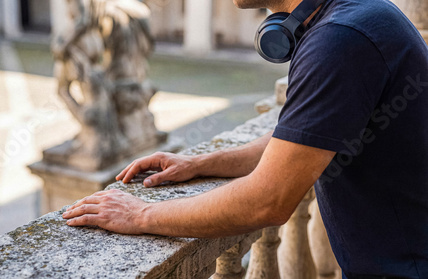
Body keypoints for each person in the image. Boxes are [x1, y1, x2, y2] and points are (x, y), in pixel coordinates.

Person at [62, 0, 428, 277]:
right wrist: (198, 164)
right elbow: (297, 138)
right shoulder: (357, 16)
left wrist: (140, 214)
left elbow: (268, 201)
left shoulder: (339, 41)